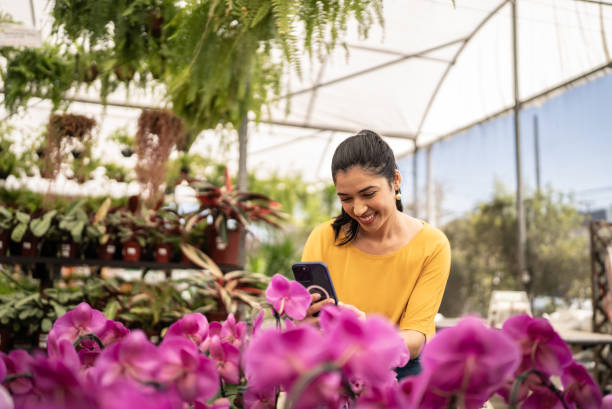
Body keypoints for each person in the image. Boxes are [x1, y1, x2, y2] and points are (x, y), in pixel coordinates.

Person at [301, 130, 451, 378]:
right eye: (346, 198)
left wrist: (367, 335)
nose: (358, 209)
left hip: (399, 369)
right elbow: (310, 322)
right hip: (337, 367)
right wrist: (303, 321)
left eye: (369, 194)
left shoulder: (431, 245)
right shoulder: (323, 238)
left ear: (396, 180)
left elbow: (415, 339)